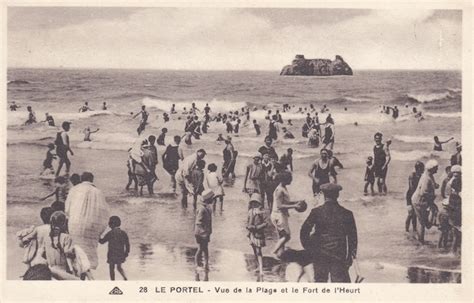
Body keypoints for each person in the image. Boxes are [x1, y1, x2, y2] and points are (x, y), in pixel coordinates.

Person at [300, 183, 357, 282]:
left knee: (321, 285)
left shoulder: (316, 212)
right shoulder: (347, 214)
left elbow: (304, 231)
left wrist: (309, 248)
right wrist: (351, 256)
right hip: (339, 255)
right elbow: (353, 238)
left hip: (319, 254)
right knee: (341, 289)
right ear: (337, 195)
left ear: (323, 195)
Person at [65, 172, 109, 270]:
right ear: (92, 180)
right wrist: (100, 229)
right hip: (92, 226)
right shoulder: (98, 192)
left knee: (75, 249)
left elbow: (67, 209)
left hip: (75, 223)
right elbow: (104, 212)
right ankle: (86, 272)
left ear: (81, 179)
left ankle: (76, 272)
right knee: (89, 252)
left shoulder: (74, 189)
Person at [271, 172, 304, 256]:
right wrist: (294, 206)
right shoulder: (279, 190)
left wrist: (297, 202)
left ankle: (280, 254)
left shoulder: (283, 188)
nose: (291, 181)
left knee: (282, 236)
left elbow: (286, 202)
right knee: (287, 236)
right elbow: (280, 205)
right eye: (290, 179)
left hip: (281, 214)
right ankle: (274, 252)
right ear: (285, 180)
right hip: (278, 215)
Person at [411, 159, 439, 244]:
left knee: (424, 220)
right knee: (422, 222)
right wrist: (432, 197)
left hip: (421, 201)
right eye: (436, 168)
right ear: (432, 169)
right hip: (419, 201)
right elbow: (423, 192)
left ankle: (422, 236)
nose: (437, 170)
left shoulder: (429, 175)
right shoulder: (426, 178)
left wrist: (435, 186)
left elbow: (431, 185)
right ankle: (421, 241)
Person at [99, 216, 130, 281]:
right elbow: (127, 244)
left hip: (112, 254)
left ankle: (112, 281)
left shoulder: (110, 233)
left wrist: (97, 236)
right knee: (119, 267)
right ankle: (125, 278)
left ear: (112, 224)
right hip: (120, 254)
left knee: (111, 268)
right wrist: (126, 253)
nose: (109, 225)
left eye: (109, 223)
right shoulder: (123, 233)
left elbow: (102, 242)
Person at [246, 193, 267, 281]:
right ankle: (258, 266)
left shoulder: (262, 212)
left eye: (256, 203)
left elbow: (266, 223)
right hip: (252, 233)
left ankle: (261, 268)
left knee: (259, 251)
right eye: (253, 203)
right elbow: (247, 222)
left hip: (258, 233)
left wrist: (257, 227)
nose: (254, 204)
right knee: (254, 249)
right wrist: (248, 227)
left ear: (260, 203)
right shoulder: (250, 212)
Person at [195, 189, 214, 269]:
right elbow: (198, 222)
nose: (213, 200)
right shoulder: (202, 209)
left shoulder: (207, 208)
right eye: (212, 198)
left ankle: (206, 264)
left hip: (205, 232)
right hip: (201, 233)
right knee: (201, 248)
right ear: (208, 199)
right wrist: (204, 232)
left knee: (205, 248)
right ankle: (197, 264)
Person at [405, 161, 424, 232]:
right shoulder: (412, 175)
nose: (423, 169)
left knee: (415, 214)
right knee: (410, 214)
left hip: (416, 195)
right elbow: (411, 187)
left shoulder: (421, 176)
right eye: (422, 168)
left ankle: (414, 229)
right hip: (410, 195)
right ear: (419, 168)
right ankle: (406, 230)